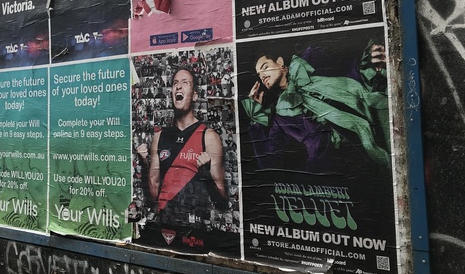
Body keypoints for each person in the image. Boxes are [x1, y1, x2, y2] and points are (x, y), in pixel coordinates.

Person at [241, 42, 390, 174]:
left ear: (280, 62)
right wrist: (255, 112)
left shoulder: (310, 59)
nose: (262, 76)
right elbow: (268, 160)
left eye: (265, 68)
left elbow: (345, 64)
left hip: (369, 111)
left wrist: (367, 59)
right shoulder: (281, 114)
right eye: (259, 75)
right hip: (339, 164)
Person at [137, 67, 227, 221]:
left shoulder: (209, 137)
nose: (178, 86)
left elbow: (222, 203)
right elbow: (152, 197)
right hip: (164, 223)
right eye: (175, 83)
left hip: (194, 228)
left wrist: (205, 174)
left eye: (185, 83)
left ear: (194, 95)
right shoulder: (160, 137)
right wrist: (144, 164)